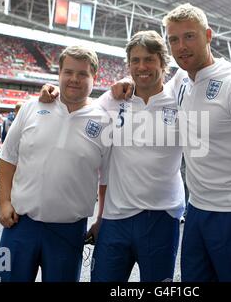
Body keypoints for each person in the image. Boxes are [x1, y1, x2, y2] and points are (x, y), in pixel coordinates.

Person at [111, 3, 231, 282]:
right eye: (174, 39)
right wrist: (126, 83)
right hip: (196, 213)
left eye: (189, 36)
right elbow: (150, 84)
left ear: (208, 35)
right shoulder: (182, 81)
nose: (181, 46)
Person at [40, 31, 185, 282]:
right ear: (128, 65)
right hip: (115, 217)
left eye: (149, 59)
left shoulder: (180, 101)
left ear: (163, 63)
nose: (142, 66)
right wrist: (50, 94)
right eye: (135, 60)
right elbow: (77, 107)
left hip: (162, 216)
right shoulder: (113, 98)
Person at [0, 46, 111, 282]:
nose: (74, 79)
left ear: (94, 77)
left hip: (68, 230)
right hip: (20, 224)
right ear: (59, 73)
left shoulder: (104, 121)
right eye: (68, 72)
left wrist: (100, 220)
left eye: (82, 74)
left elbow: (106, 179)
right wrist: (4, 202)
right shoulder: (31, 108)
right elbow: (8, 158)